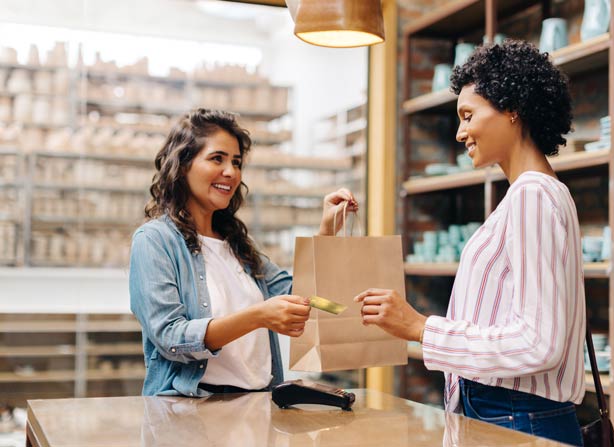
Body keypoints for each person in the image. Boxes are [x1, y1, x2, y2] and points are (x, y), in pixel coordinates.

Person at [355, 40, 585, 446]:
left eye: (468, 115)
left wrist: (421, 328)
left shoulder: (532, 195)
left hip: (514, 415)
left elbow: (538, 343)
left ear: (513, 109)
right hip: (509, 412)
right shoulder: (534, 194)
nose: (460, 132)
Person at [130, 108, 357, 397]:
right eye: (217, 158)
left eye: (236, 162)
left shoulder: (236, 243)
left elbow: (304, 296)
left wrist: (328, 230)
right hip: (193, 411)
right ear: (183, 165)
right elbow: (170, 338)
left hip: (257, 404)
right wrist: (258, 316)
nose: (231, 172)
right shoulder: (154, 241)